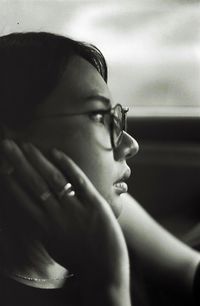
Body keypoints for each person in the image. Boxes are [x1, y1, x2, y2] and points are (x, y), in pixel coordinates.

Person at [0, 32, 199, 306]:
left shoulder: (97, 211)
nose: (130, 144)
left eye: (115, 118)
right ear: (8, 143)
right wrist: (106, 283)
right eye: (97, 116)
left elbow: (190, 271)